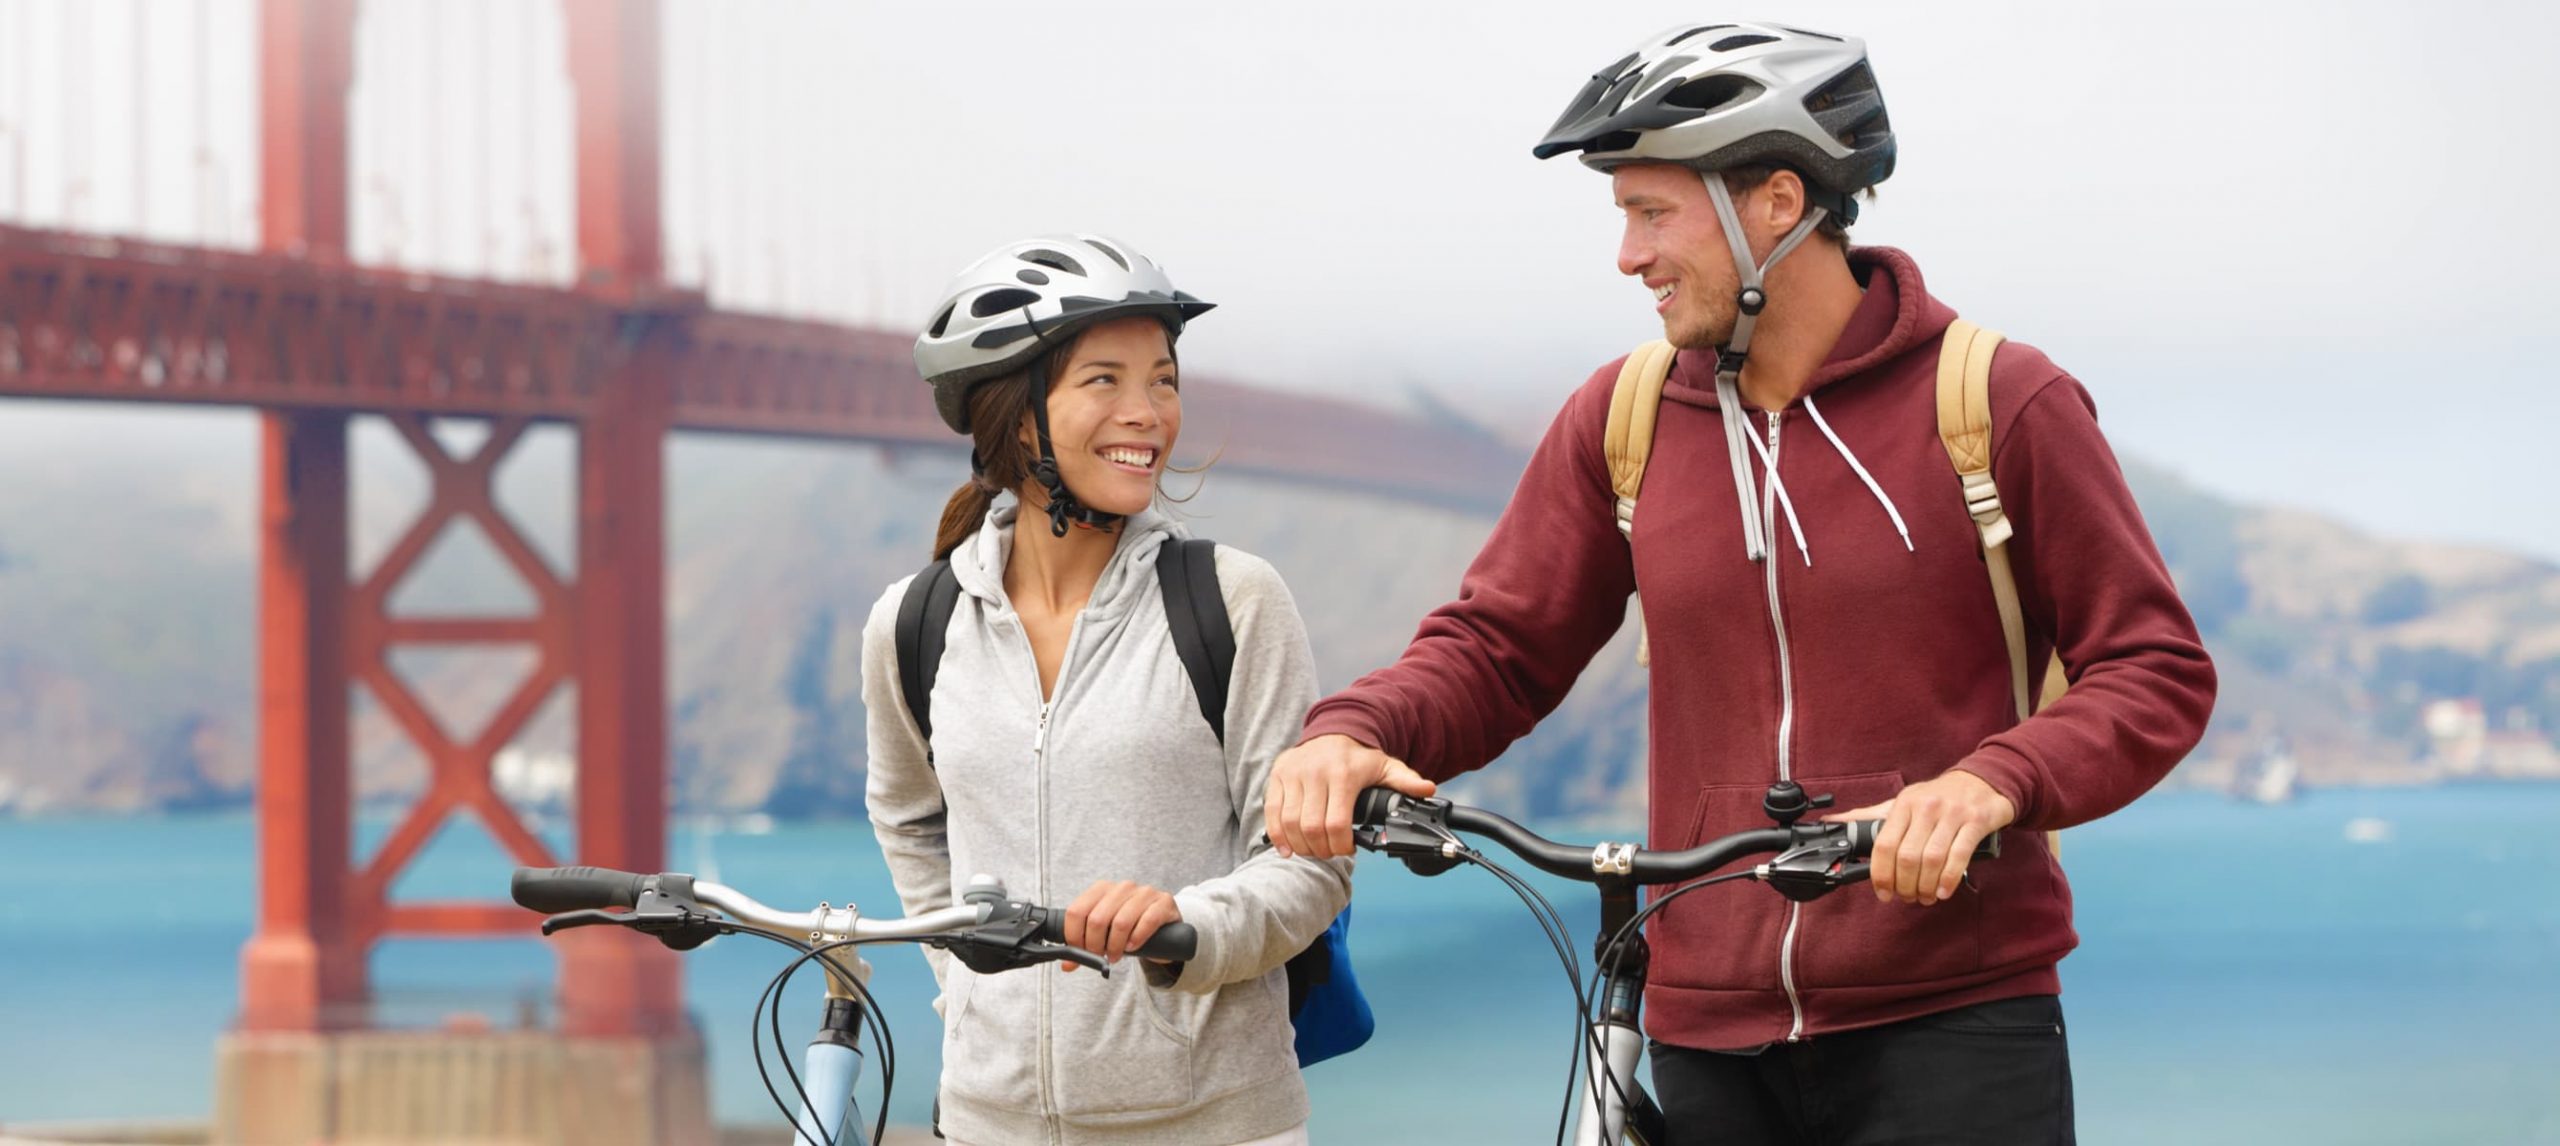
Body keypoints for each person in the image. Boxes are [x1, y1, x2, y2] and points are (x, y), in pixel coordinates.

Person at [1261, 22, 2215, 1144]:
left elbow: (2153, 670)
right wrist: (1352, 729)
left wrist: (1988, 785)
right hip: (1703, 1026)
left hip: (1951, 1020)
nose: (1628, 256)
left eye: (1651, 213)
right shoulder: (1621, 418)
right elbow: (1498, 645)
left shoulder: (1997, 400)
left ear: (1775, 202)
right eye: (1623, 216)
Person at [864, 234, 1348, 1145]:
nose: (1149, 413)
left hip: (1215, 1124)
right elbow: (907, 819)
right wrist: (962, 983)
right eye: (1105, 381)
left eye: (1163, 380)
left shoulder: (1231, 600)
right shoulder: (914, 623)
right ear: (1015, 416)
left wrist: (1186, 924)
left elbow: (1312, 864)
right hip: (984, 1122)